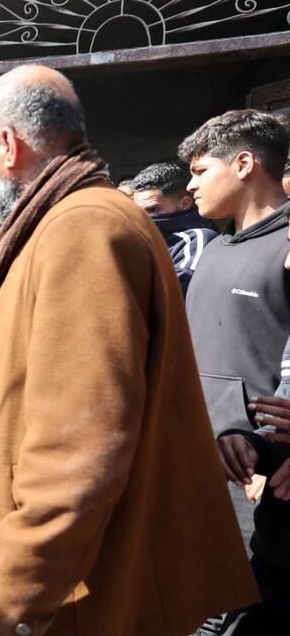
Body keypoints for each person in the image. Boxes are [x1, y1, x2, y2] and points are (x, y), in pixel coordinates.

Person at [0, 64, 257, 636]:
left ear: (6, 145)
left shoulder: (82, 231)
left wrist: (9, 593)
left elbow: (79, 446)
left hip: (78, 603)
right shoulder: (64, 225)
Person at [179, 109, 290, 635]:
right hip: (201, 466)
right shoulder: (216, 249)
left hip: (265, 479)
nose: (191, 185)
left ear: (244, 163)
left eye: (201, 170)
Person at [129, 160, 218, 294]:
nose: (144, 218)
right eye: (138, 211)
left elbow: (176, 287)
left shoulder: (198, 238)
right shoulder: (139, 239)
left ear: (184, 204)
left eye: (154, 209)